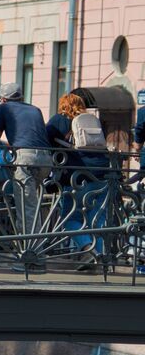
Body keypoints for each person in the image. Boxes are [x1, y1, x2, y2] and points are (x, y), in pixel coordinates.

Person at [0, 82, 52, 267]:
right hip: (46, 158)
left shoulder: (4, 108)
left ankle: (31, 257)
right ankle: (38, 251)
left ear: (4, 99)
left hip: (25, 158)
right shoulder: (35, 109)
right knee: (34, 207)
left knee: (25, 208)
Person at [47, 92, 110, 267]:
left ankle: (87, 248)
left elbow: (45, 143)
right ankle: (98, 258)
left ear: (62, 105)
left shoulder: (58, 120)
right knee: (96, 220)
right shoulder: (93, 120)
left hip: (75, 177)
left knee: (69, 217)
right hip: (103, 173)